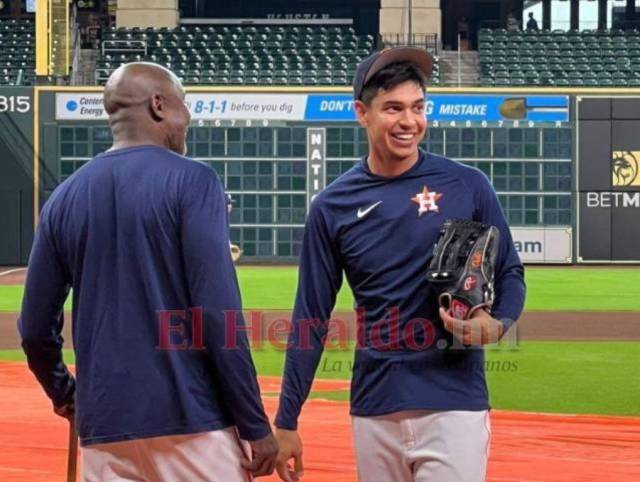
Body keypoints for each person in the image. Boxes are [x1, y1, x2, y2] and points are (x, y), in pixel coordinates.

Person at [274, 47, 526, 482]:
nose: (409, 122)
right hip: (376, 406)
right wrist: (286, 420)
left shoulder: (468, 185)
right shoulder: (332, 206)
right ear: (361, 113)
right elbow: (310, 317)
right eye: (393, 108)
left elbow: (509, 273)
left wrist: (498, 323)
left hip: (453, 402)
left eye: (418, 107)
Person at [18, 62, 277, 481]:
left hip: (104, 431)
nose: (187, 118)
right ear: (159, 104)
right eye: (184, 105)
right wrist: (254, 424)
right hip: (191, 424)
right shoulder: (194, 181)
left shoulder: (63, 198)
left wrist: (67, 396)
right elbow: (216, 314)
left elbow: (32, 328)